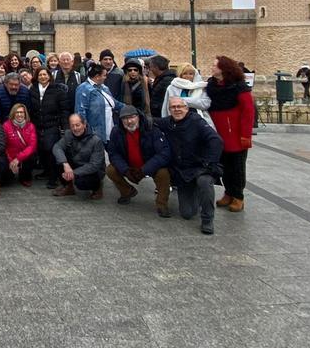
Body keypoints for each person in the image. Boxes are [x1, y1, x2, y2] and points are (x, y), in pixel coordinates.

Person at [158, 96, 224, 235]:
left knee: (204, 182)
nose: (177, 110)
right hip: (184, 172)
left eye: (180, 106)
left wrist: (209, 162)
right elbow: (150, 122)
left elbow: (215, 140)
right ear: (169, 110)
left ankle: (207, 219)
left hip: (201, 167)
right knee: (187, 213)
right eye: (173, 107)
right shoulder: (167, 123)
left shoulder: (197, 122)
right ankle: (195, 194)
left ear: (186, 108)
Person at [206, 56, 255, 213]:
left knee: (237, 167)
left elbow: (248, 111)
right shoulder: (212, 85)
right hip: (218, 134)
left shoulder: (239, 87)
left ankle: (238, 196)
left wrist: (246, 135)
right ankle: (228, 192)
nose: (212, 68)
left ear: (223, 69)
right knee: (224, 166)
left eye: (215, 66)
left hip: (235, 135)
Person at [105, 108, 172, 215]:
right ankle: (127, 192)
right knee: (110, 170)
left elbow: (164, 153)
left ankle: (162, 204)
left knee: (163, 173)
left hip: (149, 165)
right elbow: (113, 154)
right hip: (129, 165)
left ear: (139, 117)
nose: (129, 121)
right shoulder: (116, 131)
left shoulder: (152, 129)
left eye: (132, 117)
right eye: (125, 118)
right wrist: (125, 170)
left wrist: (144, 170)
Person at [28, 67, 68, 189]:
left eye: (45, 75)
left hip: (52, 124)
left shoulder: (58, 90)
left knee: (51, 150)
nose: (43, 77)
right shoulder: (33, 89)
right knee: (41, 150)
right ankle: (46, 172)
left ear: (49, 76)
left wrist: (65, 125)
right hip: (36, 124)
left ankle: (53, 178)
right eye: (40, 75)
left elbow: (64, 110)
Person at [51, 114, 107, 200]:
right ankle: (69, 187)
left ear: (84, 124)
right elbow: (57, 147)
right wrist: (65, 163)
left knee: (81, 183)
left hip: (92, 170)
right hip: (76, 164)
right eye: (72, 126)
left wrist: (74, 173)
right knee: (58, 158)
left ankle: (97, 188)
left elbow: (94, 165)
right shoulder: (68, 134)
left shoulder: (96, 140)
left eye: (77, 125)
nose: (75, 128)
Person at [74, 64, 126, 143]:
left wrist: (130, 109)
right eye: (104, 75)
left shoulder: (104, 88)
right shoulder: (83, 88)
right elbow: (80, 111)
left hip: (110, 128)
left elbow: (114, 103)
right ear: (98, 76)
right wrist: (85, 132)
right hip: (94, 134)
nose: (106, 77)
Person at [3, 103, 38, 188]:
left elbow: (32, 146)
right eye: (17, 112)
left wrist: (18, 159)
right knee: (6, 181)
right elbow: (4, 145)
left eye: (22, 112)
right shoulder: (6, 126)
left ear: (25, 114)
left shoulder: (31, 126)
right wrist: (11, 160)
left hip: (24, 157)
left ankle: (25, 177)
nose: (19, 114)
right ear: (13, 113)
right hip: (11, 157)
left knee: (32, 156)